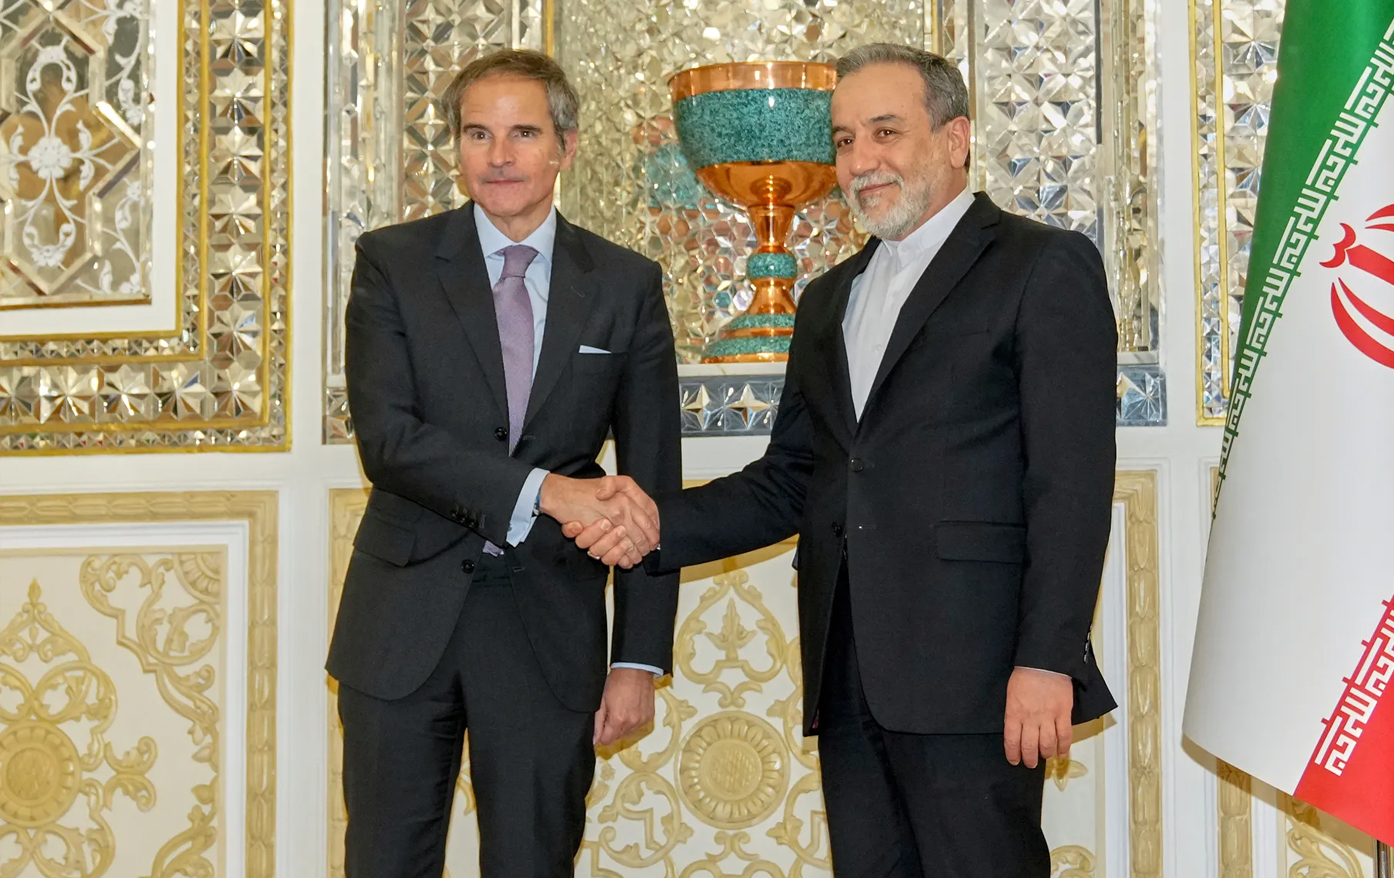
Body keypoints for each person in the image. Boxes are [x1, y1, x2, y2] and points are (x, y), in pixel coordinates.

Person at [569, 43, 1118, 878]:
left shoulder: (1041, 266)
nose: (862, 161)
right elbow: (794, 477)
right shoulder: (829, 299)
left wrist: (1046, 659)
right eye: (845, 140)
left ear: (955, 138)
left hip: (980, 675)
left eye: (886, 133)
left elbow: (1070, 483)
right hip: (849, 672)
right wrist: (647, 524)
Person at [329, 49, 680, 878]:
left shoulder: (626, 285)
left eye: (523, 133)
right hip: (401, 621)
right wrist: (546, 490)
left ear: (566, 144)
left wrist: (636, 659)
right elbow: (389, 442)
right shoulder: (393, 263)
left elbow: (650, 484)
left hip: (546, 628)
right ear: (456, 148)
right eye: (477, 134)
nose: (498, 155)